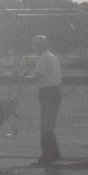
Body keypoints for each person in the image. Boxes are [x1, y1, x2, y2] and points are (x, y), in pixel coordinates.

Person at [30, 35, 62, 166]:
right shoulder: (53, 57)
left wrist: (20, 78)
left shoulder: (42, 59)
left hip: (47, 92)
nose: (33, 48)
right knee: (49, 124)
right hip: (56, 91)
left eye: (34, 46)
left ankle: (47, 155)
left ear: (39, 46)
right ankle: (54, 153)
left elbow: (36, 78)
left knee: (45, 126)